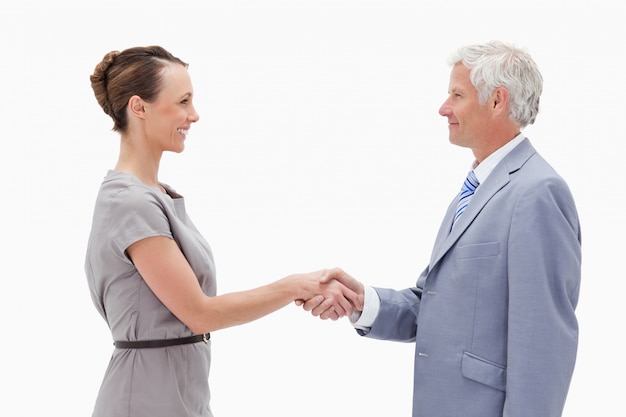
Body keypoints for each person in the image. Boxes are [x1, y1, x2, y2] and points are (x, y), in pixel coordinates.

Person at [301, 40, 582, 417]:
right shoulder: (480, 187)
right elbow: (433, 303)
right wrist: (361, 300)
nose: (443, 107)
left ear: (497, 101)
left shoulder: (537, 193)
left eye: (457, 94)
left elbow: (543, 345)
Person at [84, 45, 359, 417]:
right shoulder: (131, 203)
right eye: (183, 101)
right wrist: (297, 285)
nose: (193, 115)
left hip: (180, 394)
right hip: (146, 398)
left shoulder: (156, 196)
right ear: (139, 107)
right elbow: (200, 314)